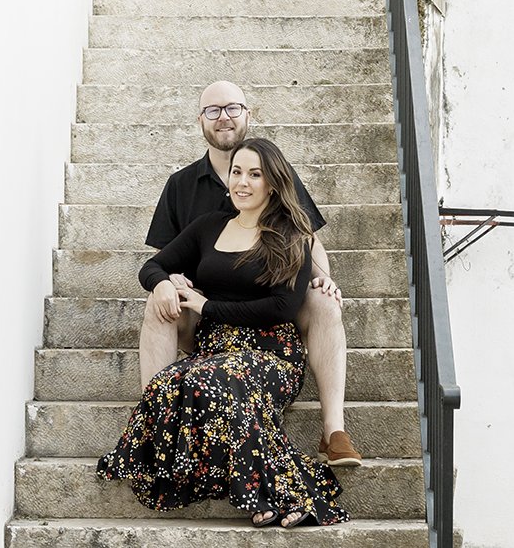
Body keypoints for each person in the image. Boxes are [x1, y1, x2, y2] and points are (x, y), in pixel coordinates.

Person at [98, 137, 348, 528]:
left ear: (273, 182)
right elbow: (153, 265)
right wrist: (162, 283)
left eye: (254, 174)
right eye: (236, 172)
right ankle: (161, 427)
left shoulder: (293, 234)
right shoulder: (209, 226)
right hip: (214, 351)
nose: (242, 182)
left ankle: (290, 491)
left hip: (271, 355)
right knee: (174, 381)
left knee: (222, 379)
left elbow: (280, 307)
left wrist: (205, 306)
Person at [139, 80, 362, 468]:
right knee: (158, 304)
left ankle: (334, 430)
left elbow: (303, 237)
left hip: (268, 312)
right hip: (202, 313)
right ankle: (152, 426)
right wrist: (165, 282)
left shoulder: (276, 171)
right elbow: (164, 257)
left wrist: (323, 276)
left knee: (324, 303)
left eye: (232, 108)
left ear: (247, 115)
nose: (223, 117)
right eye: (213, 110)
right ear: (201, 120)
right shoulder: (181, 185)